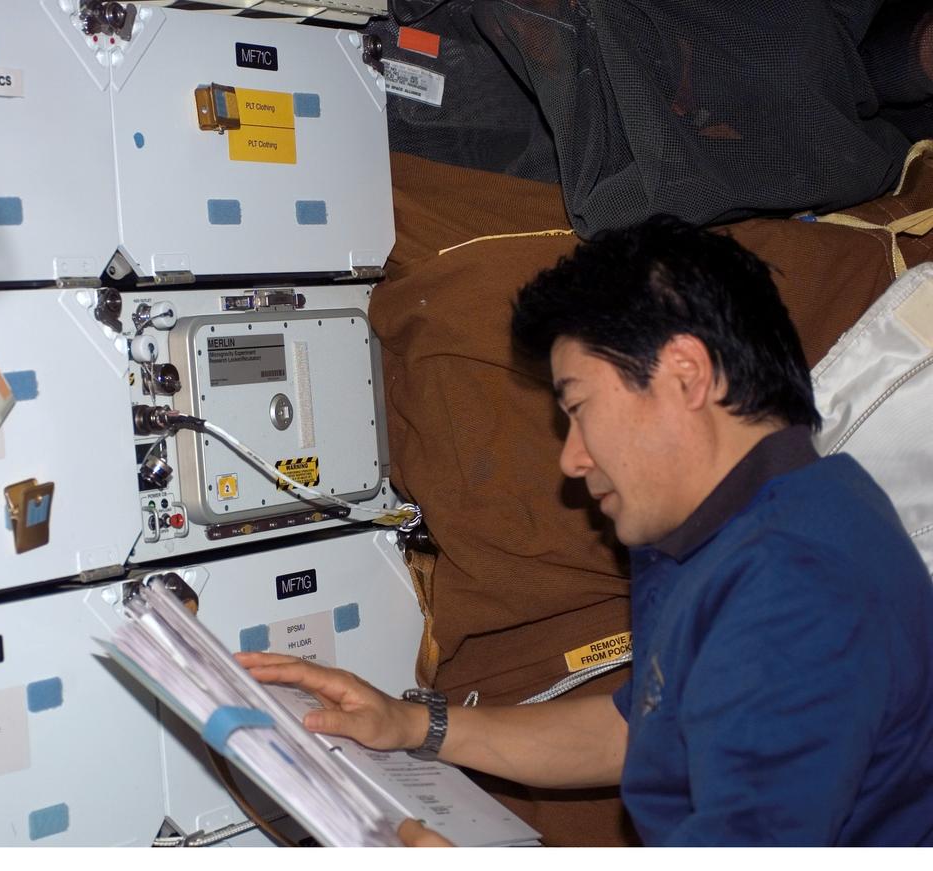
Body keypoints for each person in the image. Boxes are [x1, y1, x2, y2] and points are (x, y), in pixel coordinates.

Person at [239, 217, 933, 846]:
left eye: (578, 407)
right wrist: (416, 725)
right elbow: (643, 728)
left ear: (686, 375)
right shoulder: (740, 517)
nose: (572, 460)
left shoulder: (795, 592)